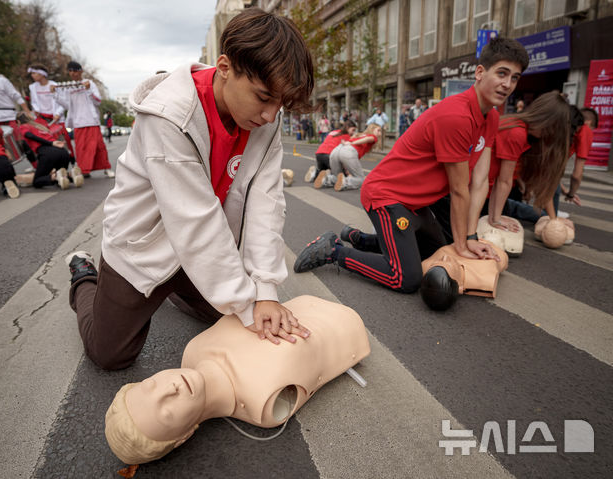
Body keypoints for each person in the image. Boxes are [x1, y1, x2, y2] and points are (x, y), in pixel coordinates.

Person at [65, 8, 315, 371]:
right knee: (110, 355)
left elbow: (267, 204)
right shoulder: (169, 115)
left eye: (280, 103)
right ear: (225, 67)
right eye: (263, 97)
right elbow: (194, 221)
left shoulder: (266, 122)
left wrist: (264, 290)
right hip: (146, 249)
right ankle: (84, 273)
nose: (270, 115)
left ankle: (181, 290)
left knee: (246, 322)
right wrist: (247, 304)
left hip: (206, 250)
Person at [293, 37, 529, 293]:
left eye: (514, 78)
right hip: (387, 196)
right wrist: (462, 246)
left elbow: (481, 182)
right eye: (502, 73)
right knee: (404, 278)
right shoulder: (457, 116)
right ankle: (333, 251)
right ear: (480, 72)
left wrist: (470, 238)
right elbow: (460, 190)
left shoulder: (492, 117)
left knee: (431, 251)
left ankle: (357, 238)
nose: (507, 84)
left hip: (415, 202)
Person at [104, 295, 370, 465]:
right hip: (347, 324)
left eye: (151, 385)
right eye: (166, 412)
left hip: (309, 305)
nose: (169, 389)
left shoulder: (193, 351)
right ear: (183, 437)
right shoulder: (263, 404)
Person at [485, 91, 572, 229]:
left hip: (489, 194)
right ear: (546, 121)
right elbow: (503, 181)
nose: (552, 134)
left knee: (534, 215)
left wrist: (554, 220)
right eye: (554, 128)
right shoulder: (516, 132)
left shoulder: (525, 131)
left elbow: (542, 180)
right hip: (483, 195)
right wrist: (496, 219)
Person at [52, 61, 114, 178]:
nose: (73, 73)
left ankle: (106, 168)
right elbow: (67, 105)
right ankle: (84, 170)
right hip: (78, 123)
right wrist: (55, 94)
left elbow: (98, 101)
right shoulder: (68, 87)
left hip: (91, 121)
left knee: (99, 147)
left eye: (75, 70)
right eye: (70, 71)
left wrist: (88, 90)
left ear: (80, 71)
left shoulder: (89, 83)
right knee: (81, 149)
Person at [420, 241, 508, 310]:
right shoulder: (484, 277)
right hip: (488, 241)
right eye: (448, 264)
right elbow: (502, 259)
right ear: (458, 286)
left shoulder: (425, 267)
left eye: (437, 262)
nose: (445, 257)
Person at [16, 113, 83, 189]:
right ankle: (71, 175)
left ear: (18, 121)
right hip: (63, 152)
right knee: (60, 176)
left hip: (47, 153)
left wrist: (50, 143)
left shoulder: (23, 126)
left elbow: (29, 135)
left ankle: (56, 176)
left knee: (37, 182)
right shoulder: (40, 126)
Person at [314, 123, 380, 191]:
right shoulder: (373, 137)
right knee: (361, 179)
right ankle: (346, 182)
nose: (380, 133)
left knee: (337, 176)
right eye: (378, 130)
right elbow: (368, 139)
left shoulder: (359, 135)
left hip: (336, 151)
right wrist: (353, 143)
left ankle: (327, 179)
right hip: (349, 150)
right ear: (372, 129)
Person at [28, 64, 75, 156]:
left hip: (56, 118)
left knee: (65, 140)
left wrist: (58, 113)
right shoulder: (33, 87)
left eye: (34, 73)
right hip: (42, 118)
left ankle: (72, 160)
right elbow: (33, 102)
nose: (32, 75)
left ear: (42, 74)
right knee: (45, 140)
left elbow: (64, 102)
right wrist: (36, 110)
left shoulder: (54, 85)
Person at [561, 107, 598, 206]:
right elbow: (577, 175)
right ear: (589, 122)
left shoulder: (562, 127)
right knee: (547, 218)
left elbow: (549, 172)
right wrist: (571, 194)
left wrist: (564, 190)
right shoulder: (585, 131)